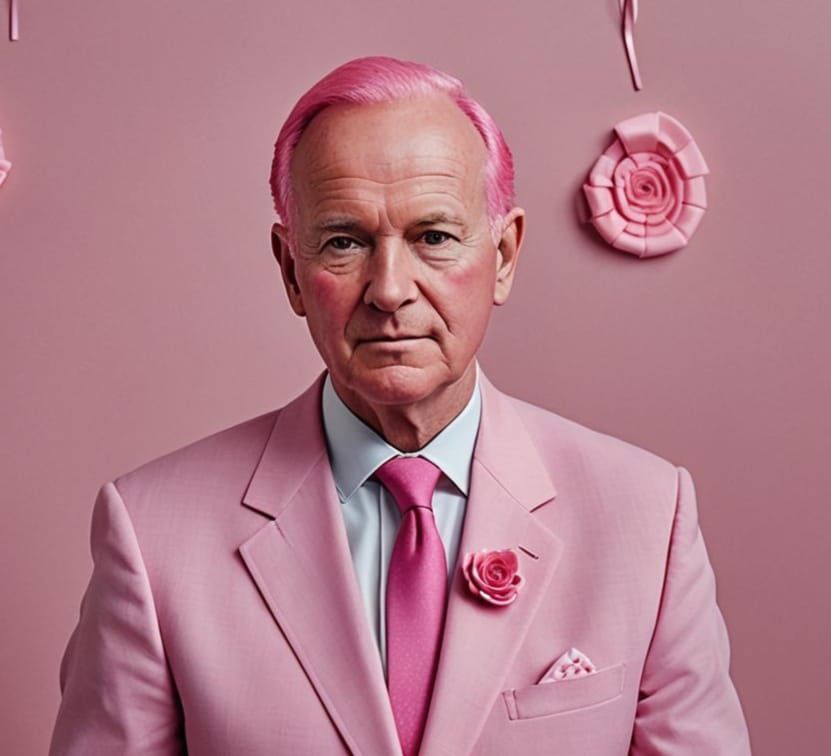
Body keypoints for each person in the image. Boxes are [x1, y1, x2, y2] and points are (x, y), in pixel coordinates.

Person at [49, 55, 752, 755]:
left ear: (503, 255)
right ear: (291, 270)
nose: (389, 289)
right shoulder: (151, 533)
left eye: (433, 237)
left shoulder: (645, 514)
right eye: (345, 242)